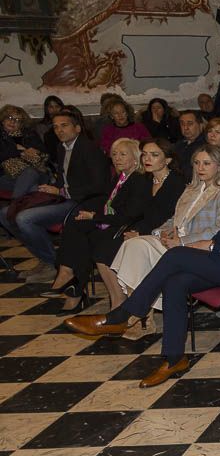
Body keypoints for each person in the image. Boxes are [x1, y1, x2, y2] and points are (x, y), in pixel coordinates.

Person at [65, 140, 220, 387]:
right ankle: (174, 358)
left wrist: (211, 245)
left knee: (176, 255)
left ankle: (123, 314)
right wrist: (212, 244)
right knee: (175, 282)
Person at [46, 138, 185, 315]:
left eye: (154, 155)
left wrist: (139, 232)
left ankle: (116, 301)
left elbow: (166, 216)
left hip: (161, 231)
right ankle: (108, 297)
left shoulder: (176, 182)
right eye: (145, 155)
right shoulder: (145, 178)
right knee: (90, 239)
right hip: (136, 226)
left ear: (167, 160)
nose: (147, 159)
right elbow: (135, 211)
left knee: (104, 246)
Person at [109, 144, 220, 333]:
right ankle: (141, 317)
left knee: (138, 248)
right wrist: (160, 233)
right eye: (197, 163)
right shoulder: (190, 189)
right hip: (173, 241)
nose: (200, 168)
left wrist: (182, 241)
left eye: (207, 163)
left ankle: (137, 317)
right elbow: (173, 219)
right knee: (133, 245)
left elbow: (217, 229)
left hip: (196, 248)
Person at [1, 108, 111, 282]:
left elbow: (98, 186)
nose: (59, 130)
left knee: (24, 218)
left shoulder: (89, 149)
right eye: (56, 126)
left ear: (77, 129)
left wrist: (61, 191)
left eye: (64, 126)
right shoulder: (62, 147)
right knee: (6, 214)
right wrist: (50, 188)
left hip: (83, 202)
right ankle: (45, 259)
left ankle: (55, 263)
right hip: (64, 197)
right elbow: (63, 178)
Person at [0, 104, 49, 199]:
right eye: (10, 117)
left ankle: (13, 206)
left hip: (36, 172)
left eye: (18, 120)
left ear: (21, 124)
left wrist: (36, 152)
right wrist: (19, 151)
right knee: (33, 187)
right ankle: (16, 206)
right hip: (4, 176)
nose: (13, 122)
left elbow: (44, 153)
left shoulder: (29, 134)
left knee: (30, 174)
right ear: (3, 119)